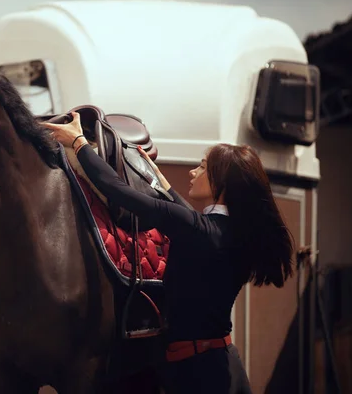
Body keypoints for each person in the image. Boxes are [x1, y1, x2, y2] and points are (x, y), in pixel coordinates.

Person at [42, 112, 295, 394]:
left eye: (201, 168)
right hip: (223, 365)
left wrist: (78, 143)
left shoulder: (198, 229)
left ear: (220, 182)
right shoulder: (230, 234)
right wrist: (159, 180)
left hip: (197, 376)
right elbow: (186, 215)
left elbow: (118, 191)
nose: (193, 172)